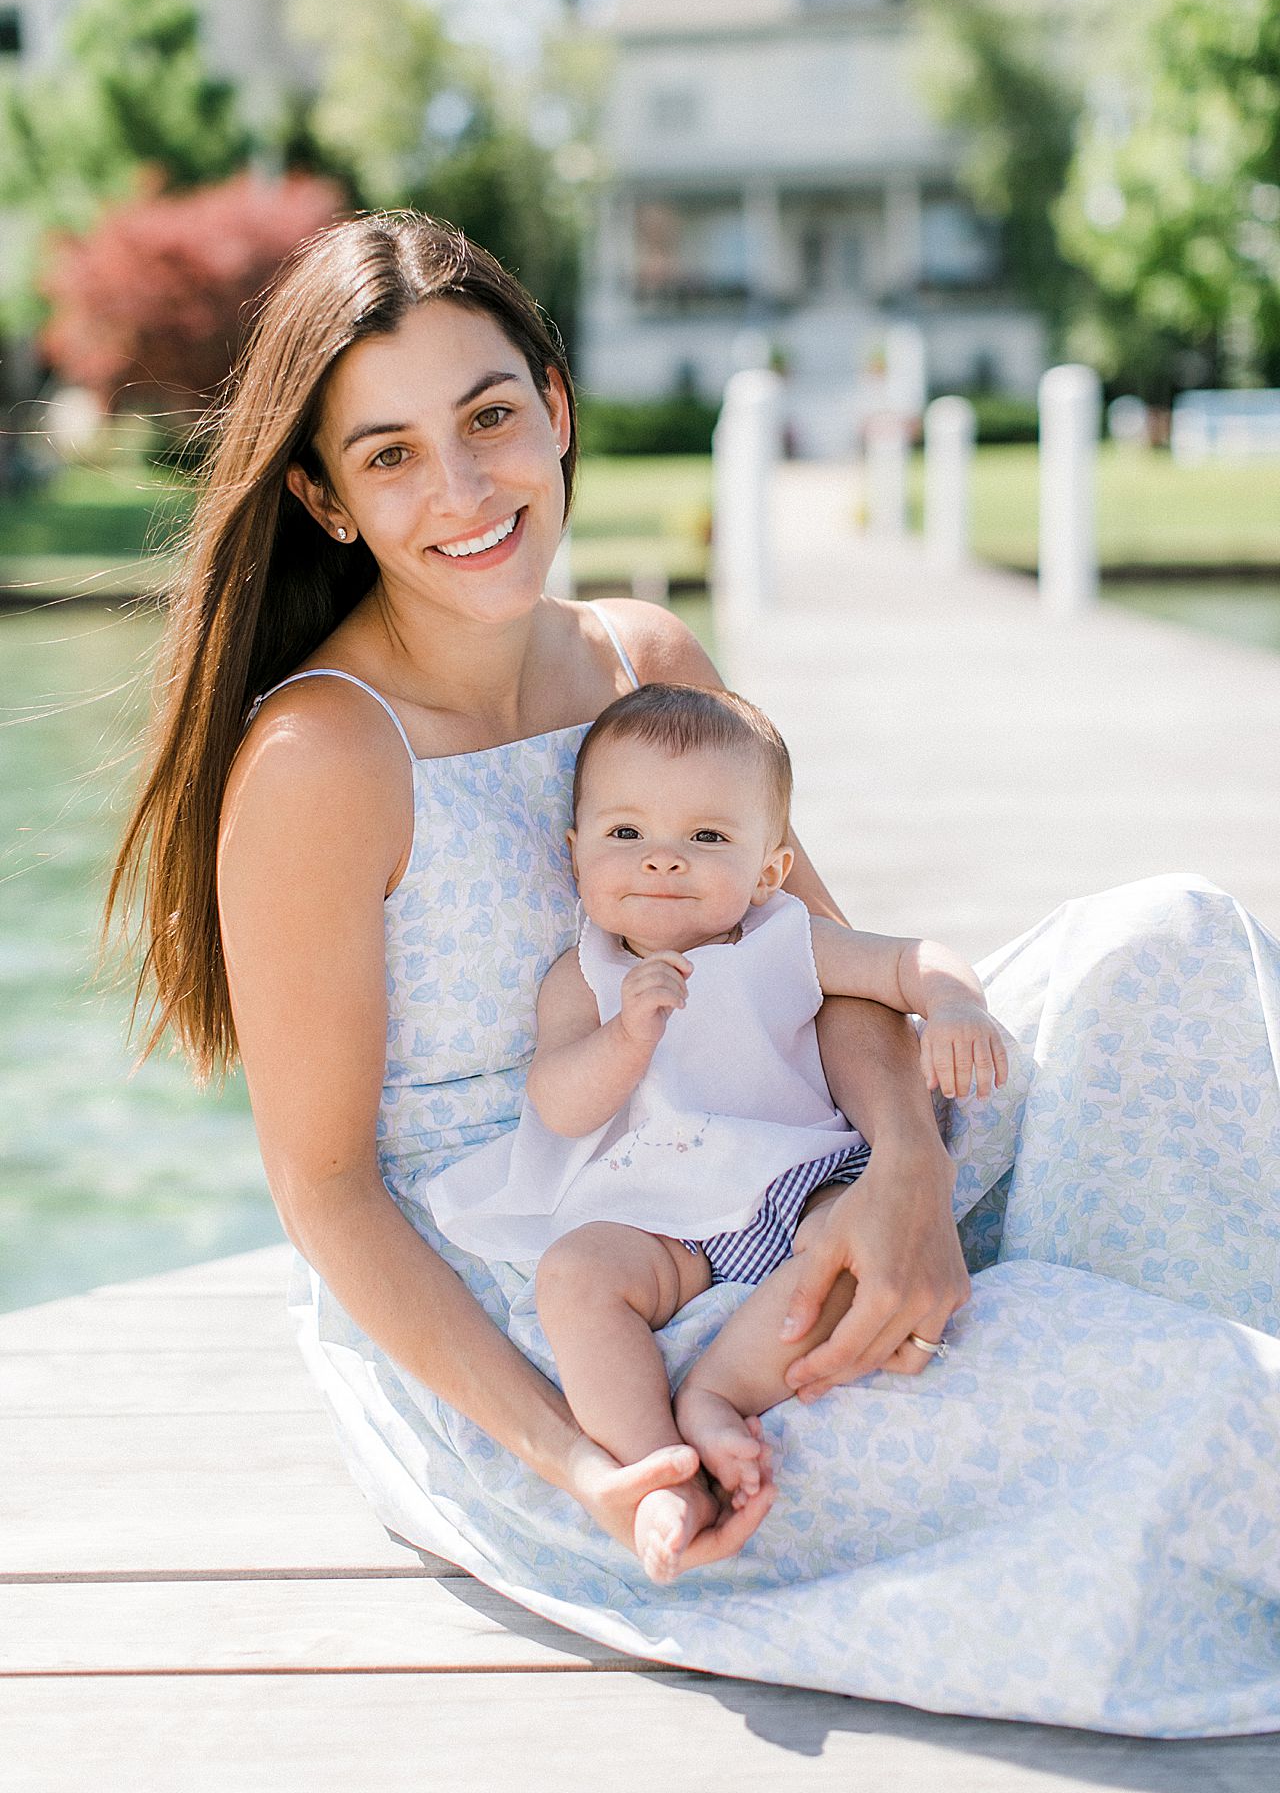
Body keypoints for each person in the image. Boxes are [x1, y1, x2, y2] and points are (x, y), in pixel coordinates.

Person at [108, 210, 1280, 1737]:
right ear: (325, 498)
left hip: (792, 1141)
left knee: (1170, 942)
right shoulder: (326, 761)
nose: (464, 489)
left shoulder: (644, 660)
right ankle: (1065, 1342)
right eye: (390, 455)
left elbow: (825, 963)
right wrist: (595, 1467)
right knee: (1187, 1414)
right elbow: (327, 1191)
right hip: (582, 1302)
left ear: (556, 407)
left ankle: (1004, 1285)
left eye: (489, 418)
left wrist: (906, 1173)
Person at [428, 681, 1008, 1582]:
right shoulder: (581, 977)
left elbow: (904, 961)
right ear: (575, 852)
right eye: (626, 834)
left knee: (852, 1258)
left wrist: (957, 1000)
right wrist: (624, 1038)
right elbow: (559, 1104)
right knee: (575, 1279)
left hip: (792, 1181)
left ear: (769, 869)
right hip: (656, 1210)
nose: (663, 861)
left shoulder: (783, 939)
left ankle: (716, 1397)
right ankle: (656, 1470)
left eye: (706, 838)